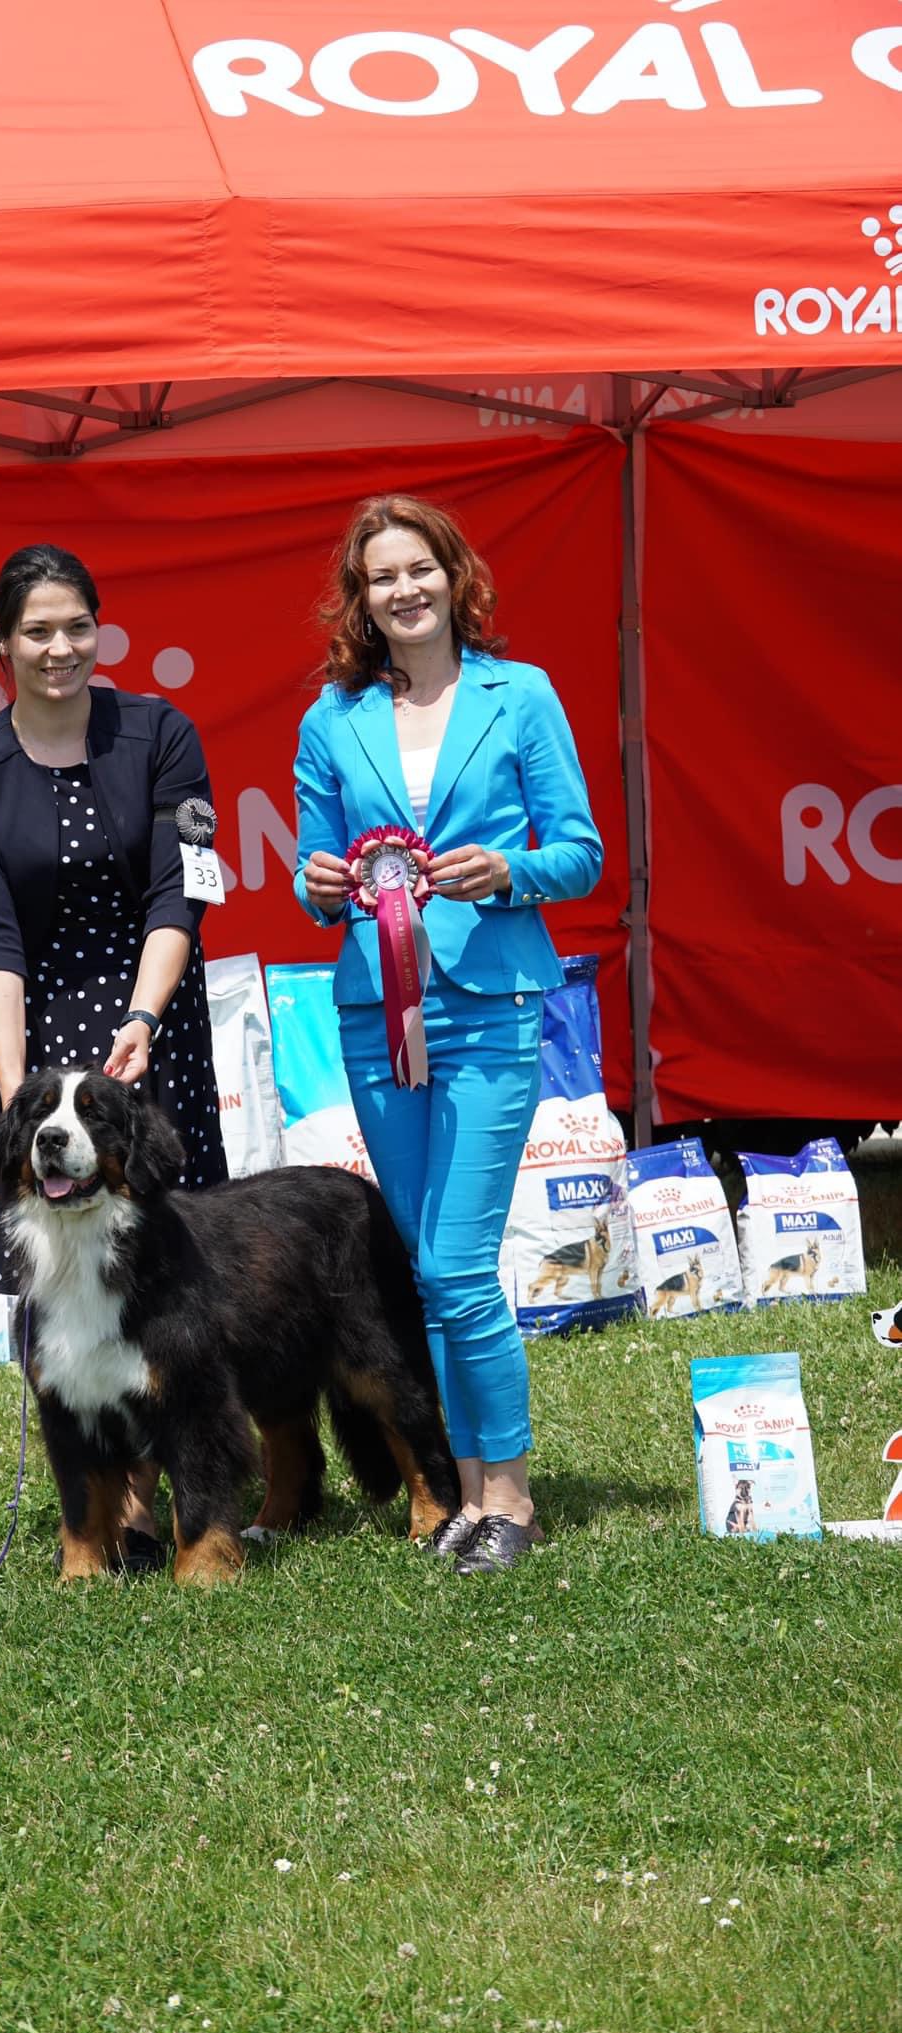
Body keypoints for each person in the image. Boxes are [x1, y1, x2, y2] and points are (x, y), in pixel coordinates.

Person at [293, 495, 602, 1575]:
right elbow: (314, 878)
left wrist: (508, 870)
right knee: (427, 1265)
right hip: (373, 1015)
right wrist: (319, 884)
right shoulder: (330, 719)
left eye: (418, 568)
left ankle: (507, 1496)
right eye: (381, 576)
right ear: (361, 598)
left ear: (453, 575)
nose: (404, 590)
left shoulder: (522, 695)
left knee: (460, 1261)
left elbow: (580, 853)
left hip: (489, 1004)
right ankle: (459, 1491)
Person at [0, 542, 228, 1570]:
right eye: (37, 631)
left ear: (99, 629)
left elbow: (185, 888)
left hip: (150, 1021)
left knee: (167, 1279)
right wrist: (18, 1090)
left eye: (76, 627)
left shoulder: (164, 733)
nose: (59, 648)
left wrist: (143, 1016)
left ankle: (169, 1494)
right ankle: (97, 1501)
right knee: (53, 1276)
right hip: (31, 1032)